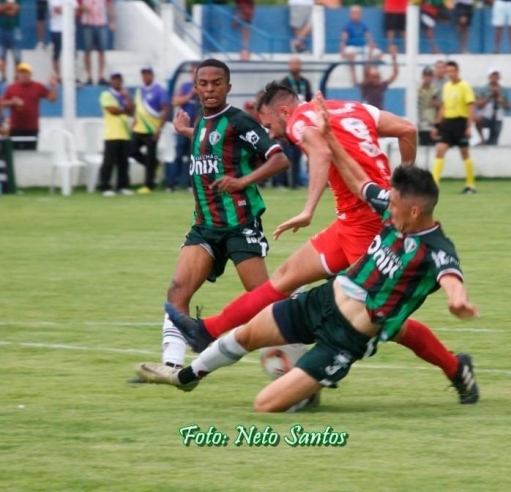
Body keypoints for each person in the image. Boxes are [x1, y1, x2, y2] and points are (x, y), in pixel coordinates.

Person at [137, 82, 480, 405]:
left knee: (383, 320)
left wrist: (308, 209)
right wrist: (405, 181)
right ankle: (207, 331)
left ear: (284, 111)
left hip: (373, 225)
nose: (271, 133)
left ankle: (454, 368)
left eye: (269, 124)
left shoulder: (301, 119)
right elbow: (407, 128)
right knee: (285, 276)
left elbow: (319, 151)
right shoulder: (352, 108)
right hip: (352, 220)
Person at [133, 59, 289, 374]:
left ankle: (294, 361)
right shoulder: (204, 123)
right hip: (205, 227)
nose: (209, 88)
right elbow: (208, 139)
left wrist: (242, 181)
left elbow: (279, 158)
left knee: (263, 300)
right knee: (178, 289)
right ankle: (171, 366)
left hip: (239, 225)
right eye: (203, 83)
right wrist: (183, 129)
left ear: (227, 87)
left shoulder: (240, 122)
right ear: (195, 88)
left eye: (216, 83)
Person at [431, 61, 477, 194]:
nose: (450, 74)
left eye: (452, 71)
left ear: (457, 71)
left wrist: (469, 125)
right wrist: (437, 125)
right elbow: (443, 106)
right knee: (440, 150)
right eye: (448, 71)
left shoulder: (465, 86)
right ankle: (434, 185)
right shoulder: (446, 86)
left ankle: (470, 184)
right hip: (447, 123)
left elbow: (470, 106)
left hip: (460, 122)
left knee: (464, 153)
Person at [0, 63, 58, 150]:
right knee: (16, 154)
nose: (23, 75)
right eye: (21, 73)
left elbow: (52, 99)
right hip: (15, 128)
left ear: (30, 74)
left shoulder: (38, 86)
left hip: (32, 128)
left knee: (31, 154)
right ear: (17, 74)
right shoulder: (11, 88)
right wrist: (12, 102)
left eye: (26, 73)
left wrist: (53, 86)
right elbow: (1, 104)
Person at [130, 65, 169, 194]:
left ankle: (148, 185)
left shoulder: (159, 90)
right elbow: (137, 108)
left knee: (150, 155)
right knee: (131, 150)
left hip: (152, 130)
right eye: (143, 74)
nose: (145, 76)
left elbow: (165, 110)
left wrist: (159, 129)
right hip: (139, 128)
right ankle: (154, 164)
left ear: (152, 75)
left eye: (147, 74)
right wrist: (134, 122)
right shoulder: (139, 91)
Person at [98, 71, 134, 196]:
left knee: (123, 162)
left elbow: (131, 110)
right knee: (108, 161)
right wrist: (124, 110)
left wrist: (127, 98)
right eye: (114, 79)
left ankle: (123, 186)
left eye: (118, 79)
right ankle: (105, 186)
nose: (116, 81)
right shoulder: (106, 94)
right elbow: (111, 110)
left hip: (124, 133)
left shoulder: (124, 95)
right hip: (112, 133)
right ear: (111, 81)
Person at [166, 63, 199, 192]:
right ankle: (172, 183)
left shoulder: (204, 88)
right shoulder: (185, 87)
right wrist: (190, 95)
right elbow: (175, 101)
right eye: (193, 72)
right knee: (178, 154)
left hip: (196, 128)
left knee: (193, 156)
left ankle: (191, 184)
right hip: (183, 127)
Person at [280, 57, 312, 188]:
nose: (295, 66)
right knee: (286, 153)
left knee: (299, 153)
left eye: (297, 64)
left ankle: (296, 181)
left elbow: (309, 101)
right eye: (292, 64)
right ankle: (283, 182)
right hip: (288, 121)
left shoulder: (306, 82)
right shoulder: (285, 82)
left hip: (301, 121)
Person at [353, 44, 399, 111]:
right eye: (375, 77)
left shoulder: (381, 86)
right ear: (370, 78)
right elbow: (366, 71)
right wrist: (370, 53)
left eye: (378, 77)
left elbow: (395, 73)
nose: (377, 79)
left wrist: (394, 57)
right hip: (368, 113)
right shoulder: (366, 86)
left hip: (379, 113)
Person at [340, 5, 382, 79]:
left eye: (358, 13)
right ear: (351, 14)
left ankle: (372, 74)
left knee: (378, 53)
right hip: (351, 46)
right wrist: (342, 50)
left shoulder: (363, 25)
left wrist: (372, 44)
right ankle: (354, 77)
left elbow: (368, 37)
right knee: (351, 54)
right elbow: (344, 39)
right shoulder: (347, 26)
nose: (356, 15)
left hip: (362, 46)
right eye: (354, 13)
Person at [80, 0, 115, 85]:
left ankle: (100, 76)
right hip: (87, 23)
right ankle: (89, 77)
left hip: (101, 23)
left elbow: (110, 4)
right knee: (87, 51)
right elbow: (77, 6)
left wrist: (112, 21)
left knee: (102, 51)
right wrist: (84, 8)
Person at [475, 68, 510, 146]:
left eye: (496, 75)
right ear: (489, 77)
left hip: (498, 117)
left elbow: (508, 107)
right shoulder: (484, 89)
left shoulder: (503, 90)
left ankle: (488, 142)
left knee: (493, 142)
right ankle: (482, 139)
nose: (494, 78)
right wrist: (490, 95)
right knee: (477, 120)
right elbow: (478, 105)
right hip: (486, 116)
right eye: (492, 75)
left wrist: (501, 101)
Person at [0, 0, 22, 81]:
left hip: (14, 29)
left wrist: (1, 8)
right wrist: (8, 6)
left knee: (17, 56)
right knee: (1, 56)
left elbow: (14, 11)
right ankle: (3, 77)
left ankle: (17, 77)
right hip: (0, 29)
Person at [49, 0, 79, 79]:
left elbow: (77, 11)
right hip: (57, 29)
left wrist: (65, 10)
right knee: (57, 53)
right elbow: (56, 9)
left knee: (73, 54)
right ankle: (58, 76)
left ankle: (73, 75)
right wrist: (69, 11)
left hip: (70, 29)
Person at [418, 66, 440, 148]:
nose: (428, 78)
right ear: (422, 77)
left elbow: (441, 106)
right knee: (420, 148)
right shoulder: (417, 89)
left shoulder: (435, 89)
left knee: (433, 148)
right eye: (426, 76)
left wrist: (436, 103)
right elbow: (406, 100)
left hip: (432, 123)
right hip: (420, 124)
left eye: (430, 76)